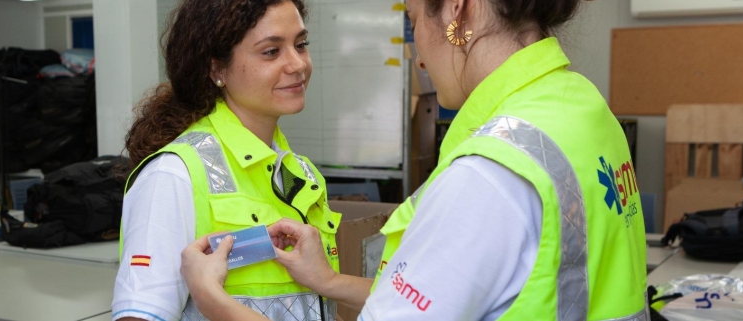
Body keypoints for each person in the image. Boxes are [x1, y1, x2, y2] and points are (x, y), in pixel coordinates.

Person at [181, 0, 650, 320]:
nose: (418, 49)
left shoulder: (489, 175)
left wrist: (215, 302)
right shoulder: (583, 108)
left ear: (457, 10)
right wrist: (329, 281)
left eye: (414, 19)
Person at [111, 0, 345, 320]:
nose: (297, 64)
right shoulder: (174, 174)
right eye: (271, 51)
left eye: (301, 45)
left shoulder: (301, 173)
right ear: (216, 69)